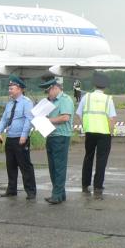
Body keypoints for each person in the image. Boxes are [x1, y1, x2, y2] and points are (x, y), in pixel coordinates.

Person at [0, 75, 36, 200]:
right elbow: (4, 119)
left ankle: (30, 191)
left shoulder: (26, 103)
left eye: (12, 88)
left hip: (21, 138)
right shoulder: (9, 104)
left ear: (19, 89)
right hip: (10, 138)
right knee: (10, 165)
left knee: (25, 166)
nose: (10, 90)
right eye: (9, 88)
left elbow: (29, 120)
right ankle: (11, 189)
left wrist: (24, 136)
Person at [75, 73, 116, 196]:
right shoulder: (108, 99)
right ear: (105, 87)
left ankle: (85, 183)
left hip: (90, 132)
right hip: (104, 133)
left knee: (88, 157)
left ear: (94, 85)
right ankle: (98, 186)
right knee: (101, 159)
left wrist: (85, 125)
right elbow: (112, 118)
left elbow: (78, 113)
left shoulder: (86, 97)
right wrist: (111, 131)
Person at [41, 75, 74, 205]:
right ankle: (60, 194)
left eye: (48, 91)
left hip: (61, 136)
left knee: (59, 167)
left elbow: (65, 117)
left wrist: (47, 120)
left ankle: (56, 195)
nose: (47, 94)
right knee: (53, 167)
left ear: (55, 88)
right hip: (51, 135)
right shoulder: (50, 101)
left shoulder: (65, 99)